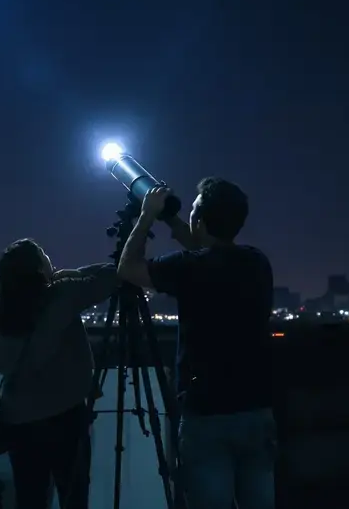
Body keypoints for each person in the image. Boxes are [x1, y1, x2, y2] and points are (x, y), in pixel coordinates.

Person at [116, 178, 275, 509]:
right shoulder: (257, 262)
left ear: (200, 221)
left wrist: (147, 215)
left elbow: (128, 268)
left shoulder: (188, 267)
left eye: (192, 212)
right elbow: (207, 251)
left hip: (206, 414)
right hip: (256, 408)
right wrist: (172, 217)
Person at [0, 239, 119, 509]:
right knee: (73, 498)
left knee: (30, 499)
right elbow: (111, 275)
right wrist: (68, 274)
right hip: (65, 419)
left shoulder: (4, 311)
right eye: (44, 255)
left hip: (19, 422)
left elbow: (3, 365)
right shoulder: (61, 294)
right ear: (39, 267)